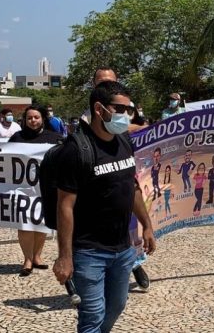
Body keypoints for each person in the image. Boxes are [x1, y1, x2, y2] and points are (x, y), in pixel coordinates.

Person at [52, 81, 156, 332]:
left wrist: (147, 225)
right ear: (99, 109)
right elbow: (64, 206)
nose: (126, 115)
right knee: (92, 315)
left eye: (129, 109)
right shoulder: (76, 150)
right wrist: (65, 256)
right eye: (120, 108)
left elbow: (130, 189)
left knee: (117, 305)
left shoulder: (123, 142)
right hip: (89, 251)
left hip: (122, 248)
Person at [81, 67, 151, 292]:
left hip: (125, 173)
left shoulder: (125, 108)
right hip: (100, 181)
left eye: (110, 82)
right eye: (101, 82)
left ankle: (135, 264)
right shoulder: (89, 113)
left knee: (130, 225)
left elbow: (134, 128)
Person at [8, 106, 63, 276]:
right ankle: (27, 259)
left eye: (36, 117)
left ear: (43, 119)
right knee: (24, 224)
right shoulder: (17, 137)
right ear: (25, 120)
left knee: (41, 223)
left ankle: (37, 256)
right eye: (30, 118)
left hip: (46, 188)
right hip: (23, 189)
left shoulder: (55, 138)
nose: (33, 121)